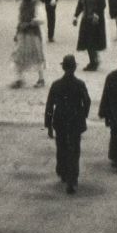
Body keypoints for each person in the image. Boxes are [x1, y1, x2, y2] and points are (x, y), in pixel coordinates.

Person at [44, 55, 91, 194]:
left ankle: (63, 172)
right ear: (75, 67)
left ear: (63, 67)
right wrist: (83, 115)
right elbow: (87, 102)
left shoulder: (56, 84)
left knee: (62, 147)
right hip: (75, 120)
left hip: (60, 120)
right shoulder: (80, 84)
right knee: (74, 150)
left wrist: (48, 125)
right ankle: (72, 179)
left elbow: (49, 106)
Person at [11, 0, 47, 88]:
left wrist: (29, 23)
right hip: (23, 33)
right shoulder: (22, 4)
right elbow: (20, 19)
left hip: (34, 34)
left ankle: (41, 79)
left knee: (37, 55)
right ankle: (20, 78)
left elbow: (41, 19)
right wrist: (17, 32)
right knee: (19, 55)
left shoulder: (37, 4)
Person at [73, 0, 106, 72]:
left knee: (92, 41)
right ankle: (93, 60)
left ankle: (94, 62)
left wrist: (96, 14)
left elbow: (102, 4)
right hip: (86, 18)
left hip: (95, 19)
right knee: (87, 41)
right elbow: (80, 4)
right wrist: (76, 16)